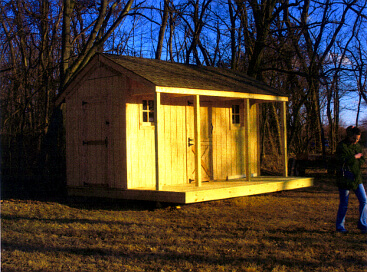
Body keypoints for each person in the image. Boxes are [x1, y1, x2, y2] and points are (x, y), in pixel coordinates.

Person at [335, 126, 366, 234]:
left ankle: (363, 224)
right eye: (354, 138)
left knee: (364, 200)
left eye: (358, 139)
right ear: (349, 136)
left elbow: (362, 158)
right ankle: (340, 226)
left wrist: (357, 158)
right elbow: (341, 160)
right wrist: (354, 157)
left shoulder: (357, 146)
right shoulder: (342, 146)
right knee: (344, 203)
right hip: (345, 179)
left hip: (357, 178)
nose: (356, 141)